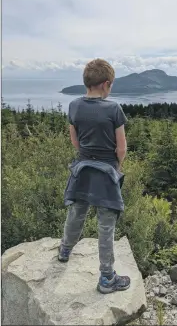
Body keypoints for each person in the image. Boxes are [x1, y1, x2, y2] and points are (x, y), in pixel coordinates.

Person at [58, 59, 130, 294]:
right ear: (106, 84)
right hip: (106, 172)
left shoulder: (74, 106)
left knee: (76, 212)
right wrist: (116, 168)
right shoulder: (113, 109)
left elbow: (75, 141)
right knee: (106, 225)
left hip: (81, 170)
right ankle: (107, 278)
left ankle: (65, 251)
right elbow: (121, 148)